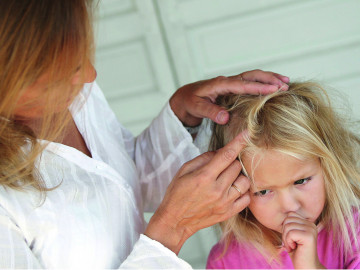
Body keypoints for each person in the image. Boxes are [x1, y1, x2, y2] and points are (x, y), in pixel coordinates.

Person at [0, 1, 290, 268]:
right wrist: (171, 231)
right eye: (67, 72)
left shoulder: (76, 96)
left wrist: (182, 118)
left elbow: (122, 186)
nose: (90, 75)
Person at [206, 81, 360, 269]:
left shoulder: (353, 232)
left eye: (301, 181)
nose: (290, 206)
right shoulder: (225, 261)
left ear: (327, 166)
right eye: (263, 192)